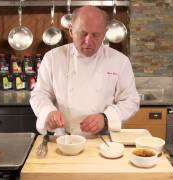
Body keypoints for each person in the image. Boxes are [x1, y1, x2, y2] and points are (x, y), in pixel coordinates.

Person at [30, 6, 140, 136]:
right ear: (71, 31)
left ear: (105, 33)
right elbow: (39, 94)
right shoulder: (53, 58)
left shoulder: (120, 61)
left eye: (95, 35)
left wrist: (106, 117)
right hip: (64, 139)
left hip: (102, 140)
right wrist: (48, 112)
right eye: (83, 33)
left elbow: (130, 100)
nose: (88, 41)